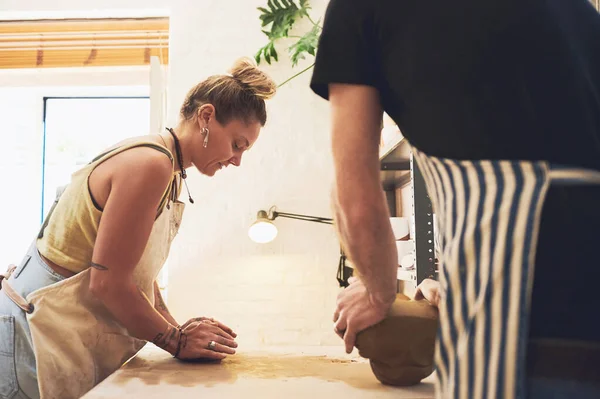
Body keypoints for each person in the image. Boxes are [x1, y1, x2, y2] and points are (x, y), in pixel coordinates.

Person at [310, 0, 600, 398]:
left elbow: (355, 196)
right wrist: (455, 284)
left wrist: (377, 292)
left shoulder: (361, 8)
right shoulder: (576, 9)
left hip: (525, 322)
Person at [0, 57, 277, 399]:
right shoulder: (152, 164)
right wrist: (177, 341)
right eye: (237, 144)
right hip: (29, 331)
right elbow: (108, 283)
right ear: (206, 116)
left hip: (52, 328)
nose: (237, 160)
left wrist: (179, 330)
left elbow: (135, 275)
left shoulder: (171, 171)